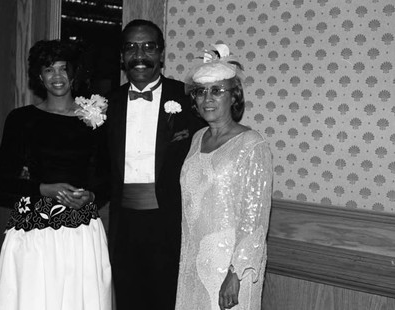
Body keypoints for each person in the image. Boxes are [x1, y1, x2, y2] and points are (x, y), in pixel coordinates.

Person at [0, 39, 112, 310]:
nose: (57, 76)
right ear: (39, 75)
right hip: (34, 232)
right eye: (49, 69)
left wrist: (91, 195)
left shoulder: (94, 119)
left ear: (74, 73)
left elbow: (106, 178)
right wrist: (45, 189)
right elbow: (2, 182)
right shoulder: (21, 119)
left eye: (63, 69)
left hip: (81, 232)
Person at [105, 19, 205, 310]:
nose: (140, 55)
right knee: (127, 299)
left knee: (168, 300)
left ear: (162, 54)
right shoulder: (106, 104)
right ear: (122, 56)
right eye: (131, 48)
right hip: (123, 224)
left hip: (172, 223)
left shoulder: (188, 98)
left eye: (149, 47)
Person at [175, 44, 273, 310]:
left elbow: (254, 218)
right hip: (194, 260)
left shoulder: (251, 144)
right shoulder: (197, 139)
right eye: (201, 92)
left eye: (217, 91)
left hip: (231, 267)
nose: (207, 98)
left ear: (234, 96)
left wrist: (235, 273)